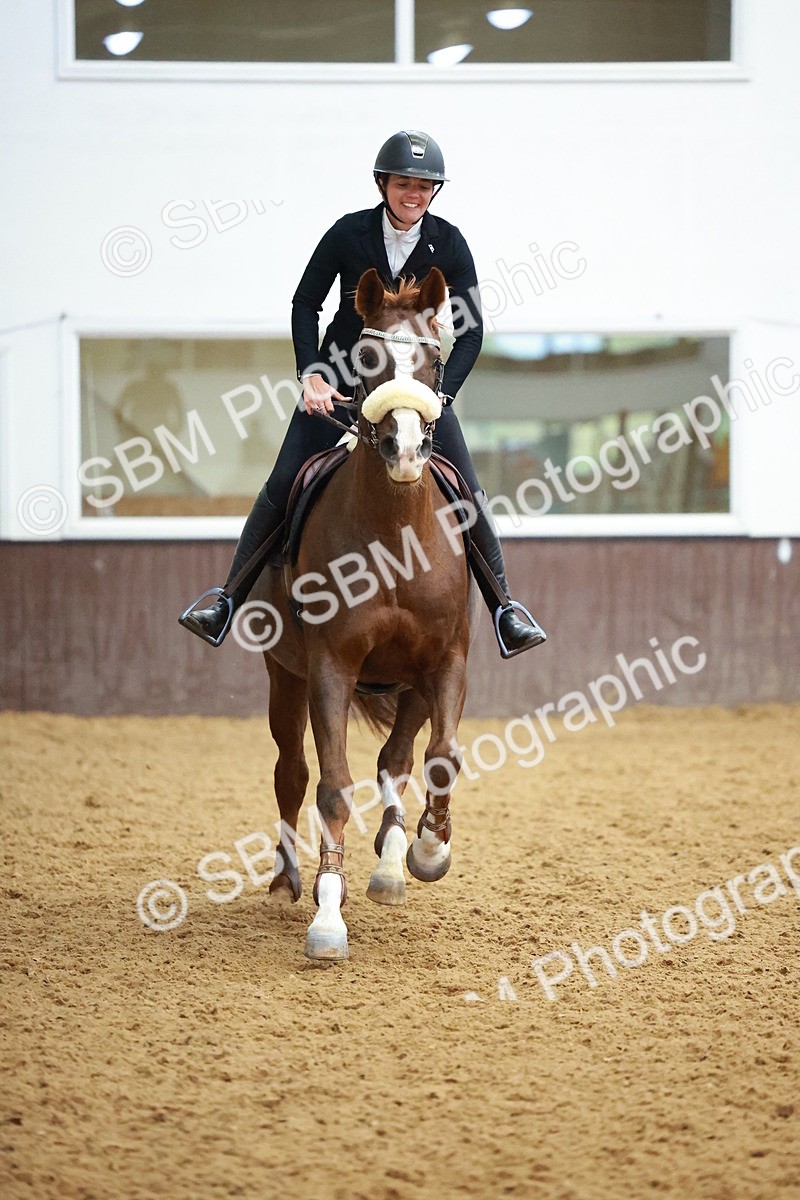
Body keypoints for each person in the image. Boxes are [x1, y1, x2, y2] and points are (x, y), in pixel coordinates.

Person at [180, 130, 546, 657]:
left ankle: (505, 609)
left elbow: (471, 333)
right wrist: (311, 373)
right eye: (403, 184)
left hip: (416, 391)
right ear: (382, 185)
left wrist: (440, 398)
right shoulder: (348, 233)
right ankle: (227, 600)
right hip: (339, 381)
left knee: (469, 491)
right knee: (284, 481)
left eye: (424, 186)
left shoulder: (450, 242)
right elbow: (305, 304)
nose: (414, 194)